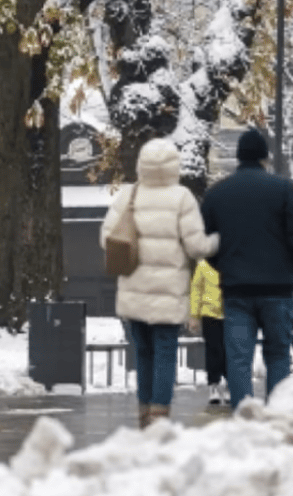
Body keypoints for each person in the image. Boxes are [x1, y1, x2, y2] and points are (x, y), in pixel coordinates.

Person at [101, 138, 218, 429]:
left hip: (133, 291)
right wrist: (217, 241)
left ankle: (143, 412)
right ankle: (159, 413)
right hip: (168, 293)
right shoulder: (182, 198)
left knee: (143, 354)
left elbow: (107, 239)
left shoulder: (128, 195)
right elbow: (196, 247)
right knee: (165, 352)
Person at [199, 128, 293, 409]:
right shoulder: (285, 190)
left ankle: (244, 413)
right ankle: (275, 413)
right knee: (277, 355)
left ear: (238, 157)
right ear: (265, 157)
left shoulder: (217, 194)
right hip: (278, 289)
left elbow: (205, 242)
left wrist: (224, 265)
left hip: (237, 290)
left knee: (238, 358)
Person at [187, 260, 227, 406]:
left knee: (230, 350)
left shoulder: (229, 259)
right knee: (214, 350)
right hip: (210, 314)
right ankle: (213, 385)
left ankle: (230, 384)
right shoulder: (203, 265)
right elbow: (196, 290)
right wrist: (194, 316)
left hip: (231, 312)